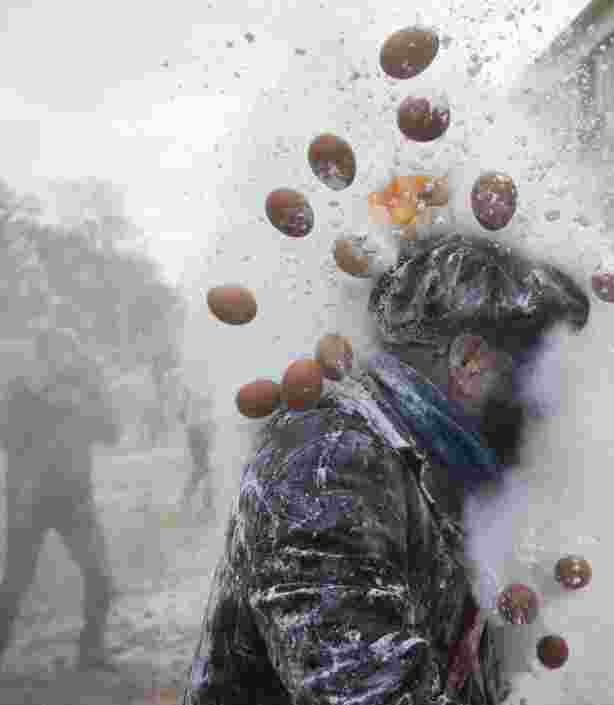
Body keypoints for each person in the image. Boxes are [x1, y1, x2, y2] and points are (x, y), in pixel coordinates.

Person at [181, 233, 590, 705]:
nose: (547, 405)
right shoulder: (331, 460)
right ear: (468, 361)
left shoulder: (429, 457)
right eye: (537, 373)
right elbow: (368, 692)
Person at [0, 327, 122, 670]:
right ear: (41, 357)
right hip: (28, 499)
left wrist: (91, 397)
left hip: (73, 497)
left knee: (99, 575)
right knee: (16, 581)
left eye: (70, 354)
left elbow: (111, 433)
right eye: (56, 354)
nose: (65, 361)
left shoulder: (82, 392)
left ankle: (91, 649)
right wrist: (42, 402)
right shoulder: (19, 390)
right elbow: (6, 436)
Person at [176, 383, 217, 521]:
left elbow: (180, 415)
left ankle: (189, 499)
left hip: (194, 430)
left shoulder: (188, 388)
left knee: (202, 468)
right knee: (204, 469)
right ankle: (203, 505)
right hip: (201, 430)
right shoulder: (205, 387)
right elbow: (210, 408)